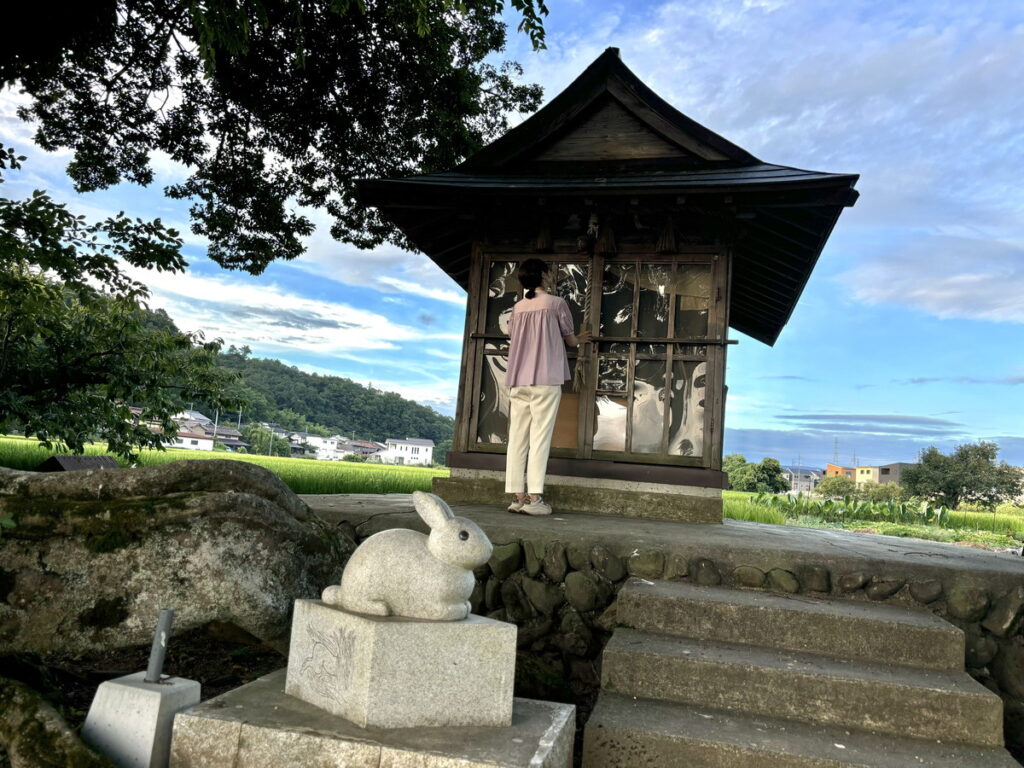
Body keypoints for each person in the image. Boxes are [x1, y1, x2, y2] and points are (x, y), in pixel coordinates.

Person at [504, 258, 590, 515]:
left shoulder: (517, 308)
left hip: (518, 378)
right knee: (540, 437)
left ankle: (517, 497)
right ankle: (535, 499)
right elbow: (570, 340)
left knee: (517, 437)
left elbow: (513, 336)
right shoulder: (556, 303)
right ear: (543, 275)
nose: (553, 276)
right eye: (550, 273)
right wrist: (581, 339)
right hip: (545, 377)